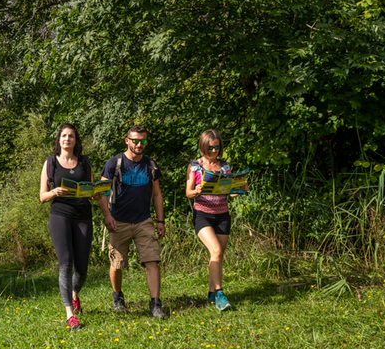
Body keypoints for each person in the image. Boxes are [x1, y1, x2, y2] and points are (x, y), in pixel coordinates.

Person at [97, 126, 167, 319]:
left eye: (143, 141)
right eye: (135, 140)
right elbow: (102, 192)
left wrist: (160, 220)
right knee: (117, 263)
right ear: (127, 141)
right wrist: (107, 216)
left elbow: (157, 194)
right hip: (118, 221)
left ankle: (155, 304)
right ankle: (117, 296)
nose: (139, 144)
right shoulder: (114, 163)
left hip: (144, 221)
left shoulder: (150, 165)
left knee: (152, 260)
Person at [39, 123, 94, 331]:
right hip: (60, 215)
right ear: (59, 139)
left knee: (82, 269)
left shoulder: (85, 162)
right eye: (64, 135)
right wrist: (54, 192)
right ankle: (70, 314)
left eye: (71, 136)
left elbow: (91, 189)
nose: (67, 139)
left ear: (75, 140)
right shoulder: (50, 163)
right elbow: (42, 196)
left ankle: (75, 294)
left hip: (83, 216)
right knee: (65, 263)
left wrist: (96, 193)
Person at [184, 129, 246, 311]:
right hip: (202, 214)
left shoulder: (224, 167)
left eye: (217, 147)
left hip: (222, 215)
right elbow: (188, 192)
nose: (214, 151)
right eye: (210, 147)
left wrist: (241, 187)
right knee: (216, 250)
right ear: (203, 146)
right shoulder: (194, 166)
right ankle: (220, 293)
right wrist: (196, 191)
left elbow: (231, 193)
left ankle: (211, 294)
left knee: (217, 255)